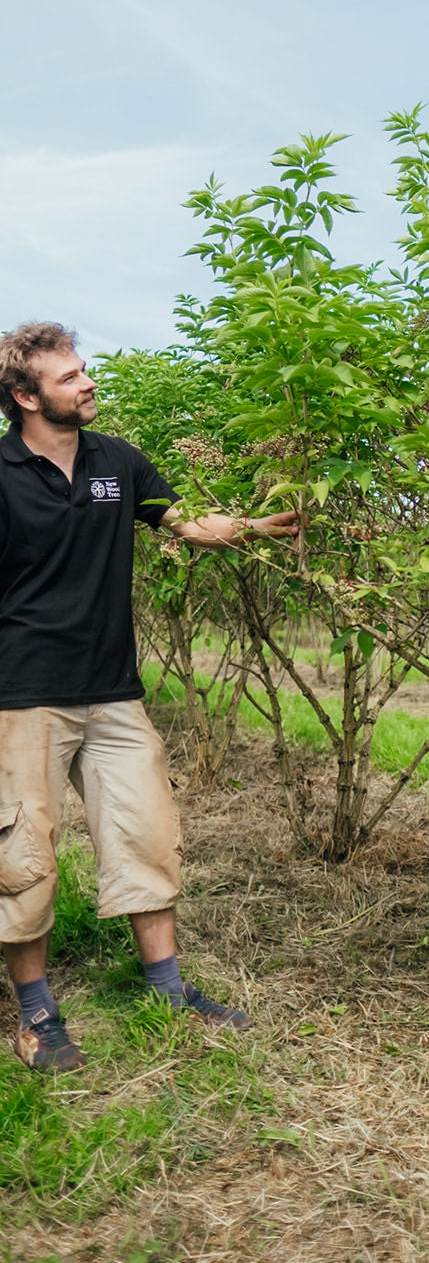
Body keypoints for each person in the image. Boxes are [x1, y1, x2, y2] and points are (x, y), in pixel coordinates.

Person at [0, 322, 298, 1073]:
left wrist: (250, 527)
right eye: (69, 377)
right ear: (25, 396)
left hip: (114, 692)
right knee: (24, 855)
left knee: (146, 833)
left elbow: (179, 521)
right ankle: (37, 1012)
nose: (88, 382)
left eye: (84, 369)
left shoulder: (116, 461)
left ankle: (167, 988)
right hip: (22, 694)